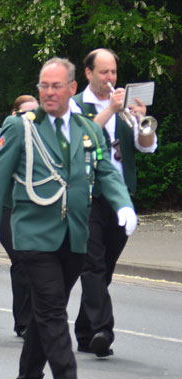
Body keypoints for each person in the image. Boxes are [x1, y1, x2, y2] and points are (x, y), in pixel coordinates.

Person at [0, 57, 136, 379]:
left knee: (47, 310)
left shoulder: (87, 128)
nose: (49, 92)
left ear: (73, 89)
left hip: (75, 234)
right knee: (51, 309)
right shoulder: (21, 126)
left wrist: (123, 204)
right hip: (34, 233)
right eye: (44, 86)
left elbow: (106, 171)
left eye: (56, 85)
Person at [71, 48, 159, 358]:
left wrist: (139, 120)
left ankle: (85, 331)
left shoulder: (123, 108)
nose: (110, 79)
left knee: (105, 268)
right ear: (88, 74)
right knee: (92, 264)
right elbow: (81, 136)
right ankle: (103, 330)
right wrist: (110, 108)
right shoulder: (75, 105)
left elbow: (146, 147)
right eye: (103, 73)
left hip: (120, 196)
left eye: (113, 73)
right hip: (86, 196)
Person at [0, 95, 39, 338]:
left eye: (35, 113)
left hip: (34, 211)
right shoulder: (6, 138)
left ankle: (37, 317)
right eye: (25, 114)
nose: (31, 118)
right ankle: (24, 322)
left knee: (37, 263)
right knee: (21, 260)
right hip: (8, 209)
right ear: (13, 116)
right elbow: (0, 174)